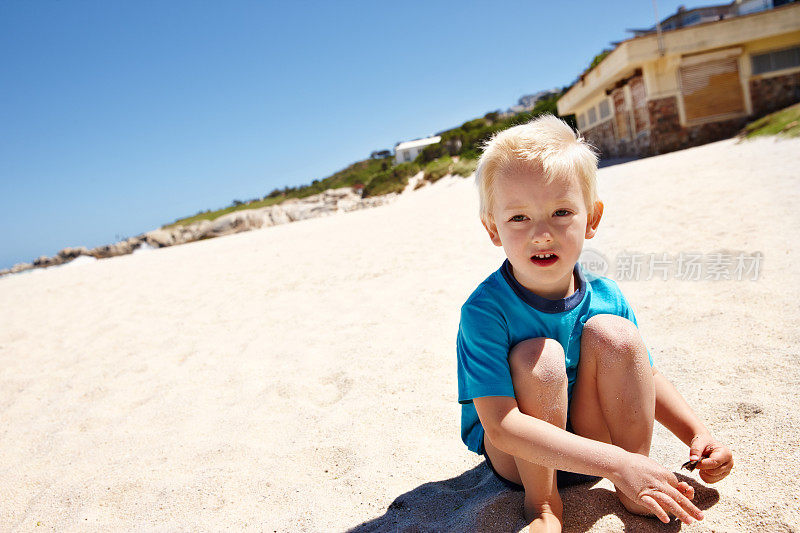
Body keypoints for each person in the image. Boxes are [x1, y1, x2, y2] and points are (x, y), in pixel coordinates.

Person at [455, 114, 733, 532]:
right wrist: (618, 463)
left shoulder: (607, 297)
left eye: (561, 212)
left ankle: (637, 485)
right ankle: (545, 506)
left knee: (616, 335)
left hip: (601, 449)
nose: (542, 233)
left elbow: (647, 379)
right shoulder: (483, 311)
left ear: (592, 218)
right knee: (540, 357)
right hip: (521, 461)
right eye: (519, 218)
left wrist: (698, 433)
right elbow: (502, 425)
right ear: (494, 228)